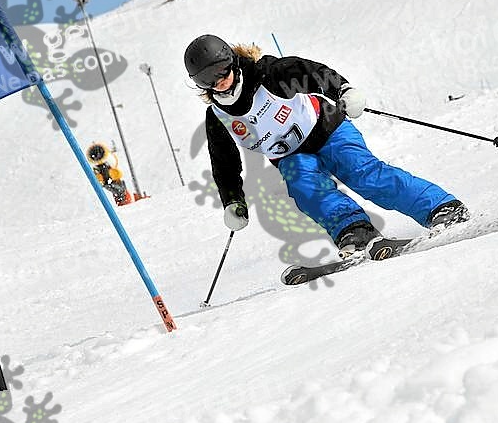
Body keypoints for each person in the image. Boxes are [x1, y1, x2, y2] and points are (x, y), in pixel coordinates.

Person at [184, 34, 469, 258]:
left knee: (364, 173)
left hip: (328, 128)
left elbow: (312, 72)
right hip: (291, 155)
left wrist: (343, 89)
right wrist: (232, 201)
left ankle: (440, 207)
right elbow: (224, 164)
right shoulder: (219, 117)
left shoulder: (267, 74)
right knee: (306, 189)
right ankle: (354, 230)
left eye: (221, 71)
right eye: (207, 79)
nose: (219, 82)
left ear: (233, 61)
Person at [86, 142, 132, 206]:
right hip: (109, 180)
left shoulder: (107, 164)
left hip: (111, 179)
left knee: (120, 191)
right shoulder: (106, 163)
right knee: (119, 191)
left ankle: (124, 201)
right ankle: (123, 201)